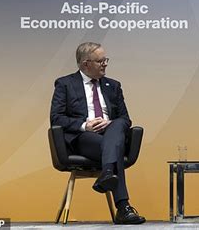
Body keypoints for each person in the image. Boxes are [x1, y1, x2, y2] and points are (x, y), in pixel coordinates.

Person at [50, 42, 145, 224]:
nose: (105, 64)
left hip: (112, 134)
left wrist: (108, 123)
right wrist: (85, 125)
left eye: (105, 60)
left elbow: (126, 119)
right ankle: (123, 208)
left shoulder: (113, 85)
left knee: (117, 124)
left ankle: (108, 172)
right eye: (100, 61)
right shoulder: (65, 84)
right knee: (114, 147)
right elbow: (56, 118)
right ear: (86, 64)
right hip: (84, 139)